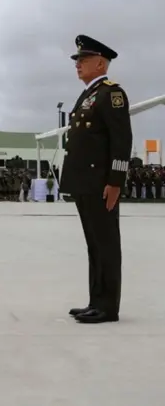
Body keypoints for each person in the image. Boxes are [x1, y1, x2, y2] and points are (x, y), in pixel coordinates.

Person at [60, 35, 132, 324]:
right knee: (94, 243)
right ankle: (96, 300)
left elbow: (121, 140)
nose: (78, 65)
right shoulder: (89, 94)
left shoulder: (111, 94)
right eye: (77, 60)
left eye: (83, 60)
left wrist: (115, 181)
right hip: (85, 182)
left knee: (106, 243)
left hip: (102, 183)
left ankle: (108, 306)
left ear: (100, 62)